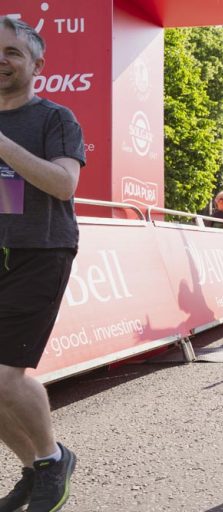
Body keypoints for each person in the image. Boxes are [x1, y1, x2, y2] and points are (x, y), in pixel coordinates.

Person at [0, 17, 82, 511]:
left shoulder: (55, 118)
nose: (1, 60)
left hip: (41, 252)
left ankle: (53, 460)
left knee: (5, 377)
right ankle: (33, 469)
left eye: (12, 52)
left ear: (37, 65)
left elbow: (64, 184)